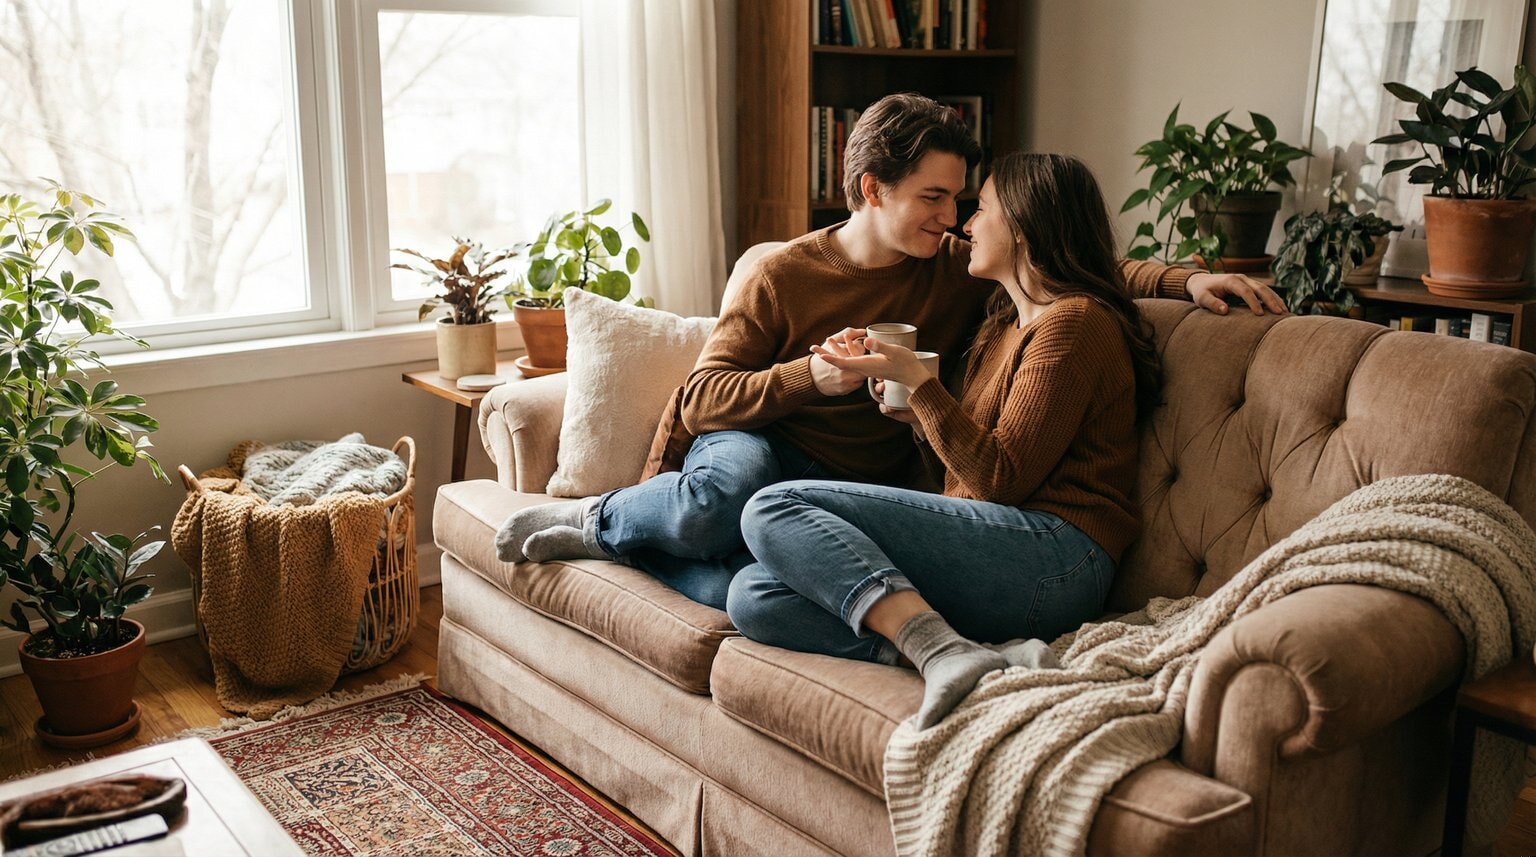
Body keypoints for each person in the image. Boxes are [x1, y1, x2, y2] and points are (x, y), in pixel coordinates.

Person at [495, 93, 1282, 611]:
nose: (954, 218)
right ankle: (600, 521)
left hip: (852, 483)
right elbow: (703, 401)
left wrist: (1187, 277)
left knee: (751, 587)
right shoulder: (784, 273)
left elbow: (1071, 262)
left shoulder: (961, 269)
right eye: (932, 198)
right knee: (727, 492)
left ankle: (645, 553)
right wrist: (813, 374)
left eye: (963, 200)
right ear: (873, 189)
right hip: (764, 440)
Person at [727, 152, 1156, 729]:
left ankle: (940, 651)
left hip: (1058, 555)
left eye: (980, 210)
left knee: (775, 505)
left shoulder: (1074, 324)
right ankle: (974, 656)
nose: (965, 225)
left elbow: (1002, 479)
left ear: (1024, 229)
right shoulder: (1005, 321)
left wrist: (921, 386)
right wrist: (917, 418)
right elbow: (967, 476)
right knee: (754, 593)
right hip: (1000, 544)